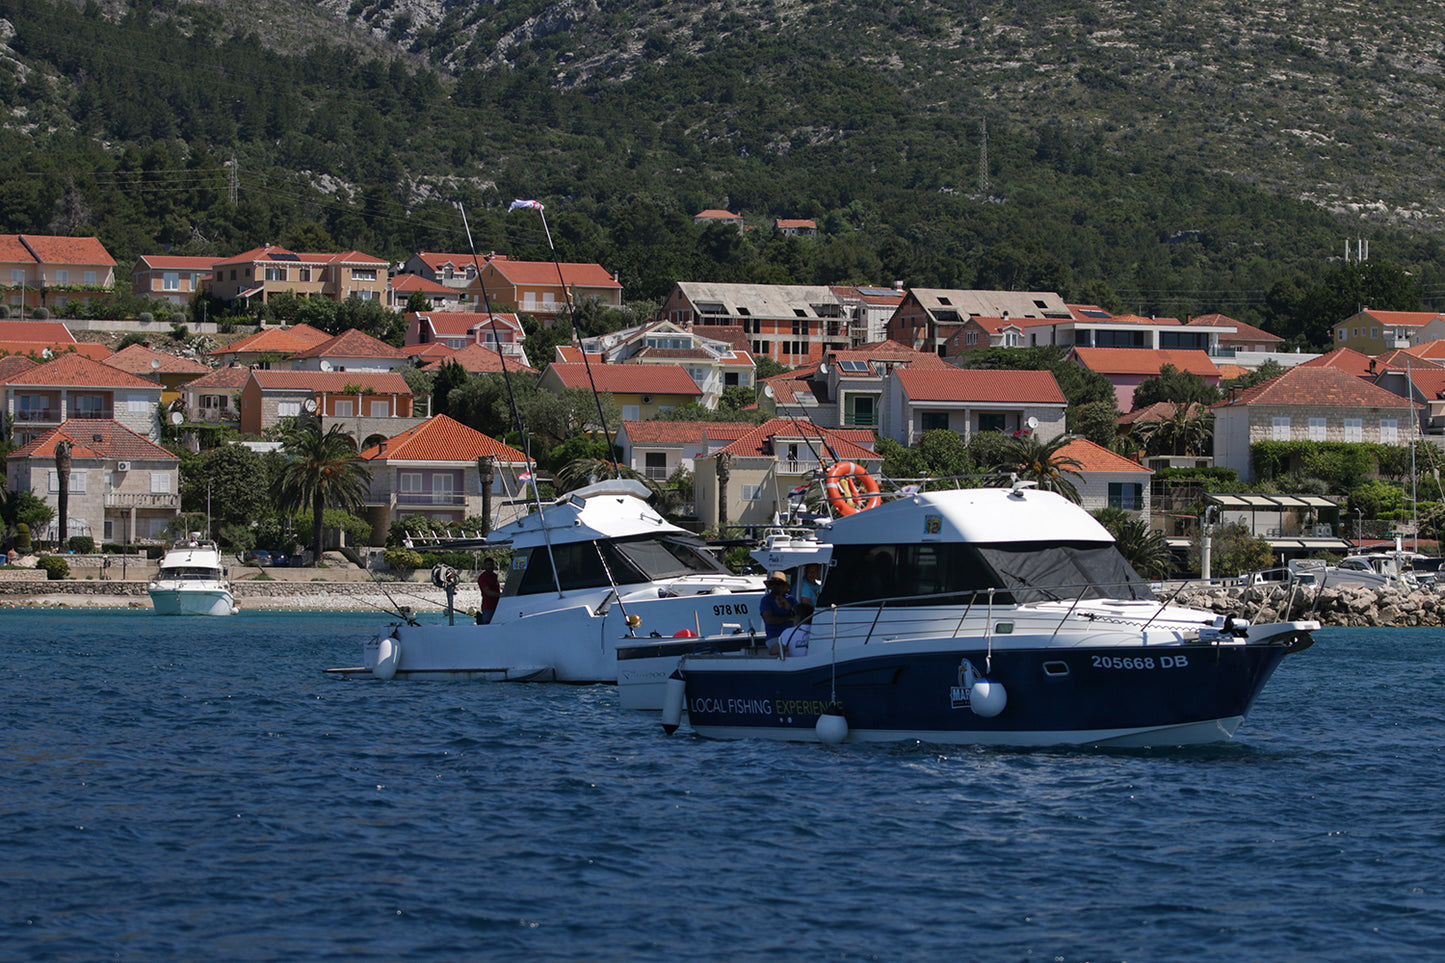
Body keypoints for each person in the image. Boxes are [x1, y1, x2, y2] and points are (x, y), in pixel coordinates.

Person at [759, 570, 797, 644]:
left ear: (783, 586)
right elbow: (769, 620)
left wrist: (788, 607)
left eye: (778, 584)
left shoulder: (790, 599)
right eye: (773, 584)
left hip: (791, 635)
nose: (775, 586)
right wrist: (789, 618)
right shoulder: (766, 600)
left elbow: (800, 615)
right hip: (775, 636)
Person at [476, 557, 502, 624]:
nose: (490, 566)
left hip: (497, 607)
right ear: (485, 566)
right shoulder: (482, 577)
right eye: (488, 565)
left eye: (491, 564)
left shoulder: (494, 576)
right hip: (488, 608)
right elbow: (487, 592)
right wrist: (501, 595)